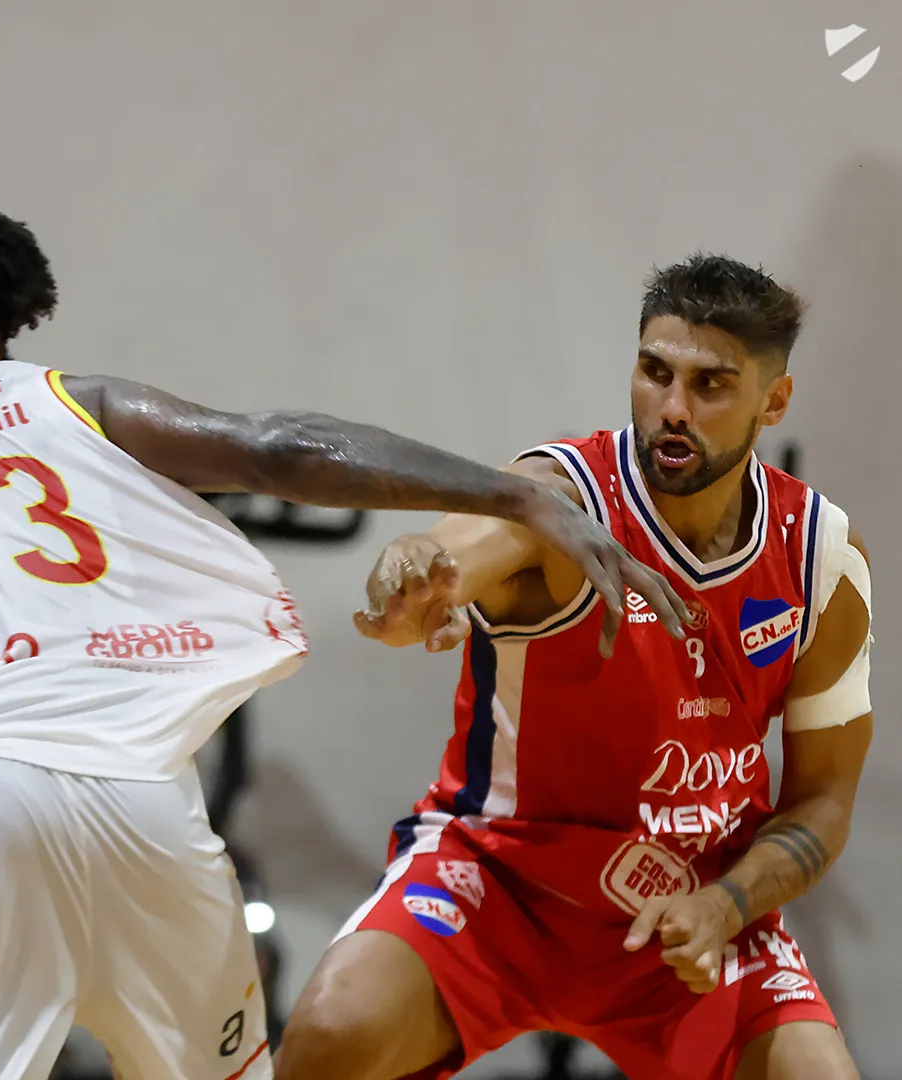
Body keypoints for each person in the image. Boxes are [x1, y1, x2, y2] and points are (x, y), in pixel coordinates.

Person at [0, 190, 685, 1080]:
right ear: (11, 320)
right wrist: (510, 491)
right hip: (148, 810)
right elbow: (277, 446)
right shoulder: (75, 400)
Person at [275, 254, 873, 1080]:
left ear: (774, 401)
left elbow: (824, 802)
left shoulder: (819, 559)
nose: (672, 408)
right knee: (332, 1033)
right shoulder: (563, 495)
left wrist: (727, 903)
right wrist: (421, 574)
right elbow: (470, 542)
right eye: (655, 372)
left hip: (688, 901)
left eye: (710, 385)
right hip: (504, 882)